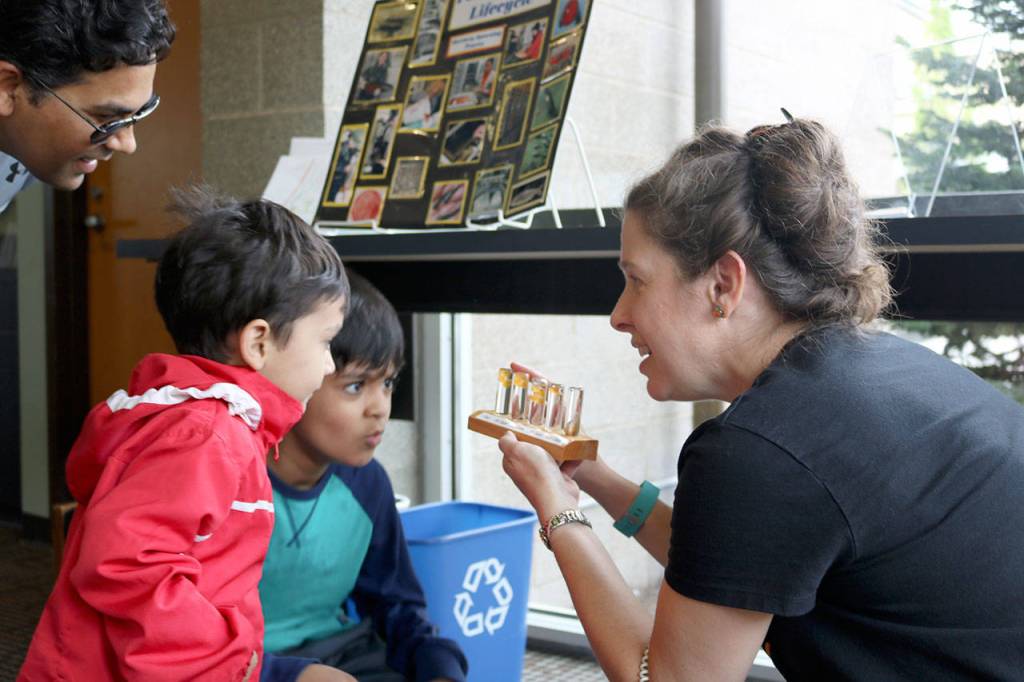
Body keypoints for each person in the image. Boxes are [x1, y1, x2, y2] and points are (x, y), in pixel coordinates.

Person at [498, 115, 1024, 680]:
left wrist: (558, 509)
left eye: (637, 279)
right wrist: (595, 477)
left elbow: (664, 677)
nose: (618, 315)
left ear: (723, 284)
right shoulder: (879, 377)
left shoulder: (763, 450)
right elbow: (738, 563)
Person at [19, 188, 354, 682]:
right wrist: (225, 658)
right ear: (258, 341)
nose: (328, 366)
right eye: (325, 342)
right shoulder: (206, 435)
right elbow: (128, 565)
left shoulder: (212, 423)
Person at [259, 269, 468, 682]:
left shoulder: (367, 482)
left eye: (387, 382)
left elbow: (398, 607)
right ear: (296, 377)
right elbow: (184, 644)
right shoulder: (232, 484)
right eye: (355, 386)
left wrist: (438, 665)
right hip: (247, 667)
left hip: (345, 655)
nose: (380, 408)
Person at [0, 0, 174, 214]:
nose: (128, 144)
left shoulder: (25, 148)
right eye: (105, 117)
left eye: (139, 113)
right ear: (8, 88)